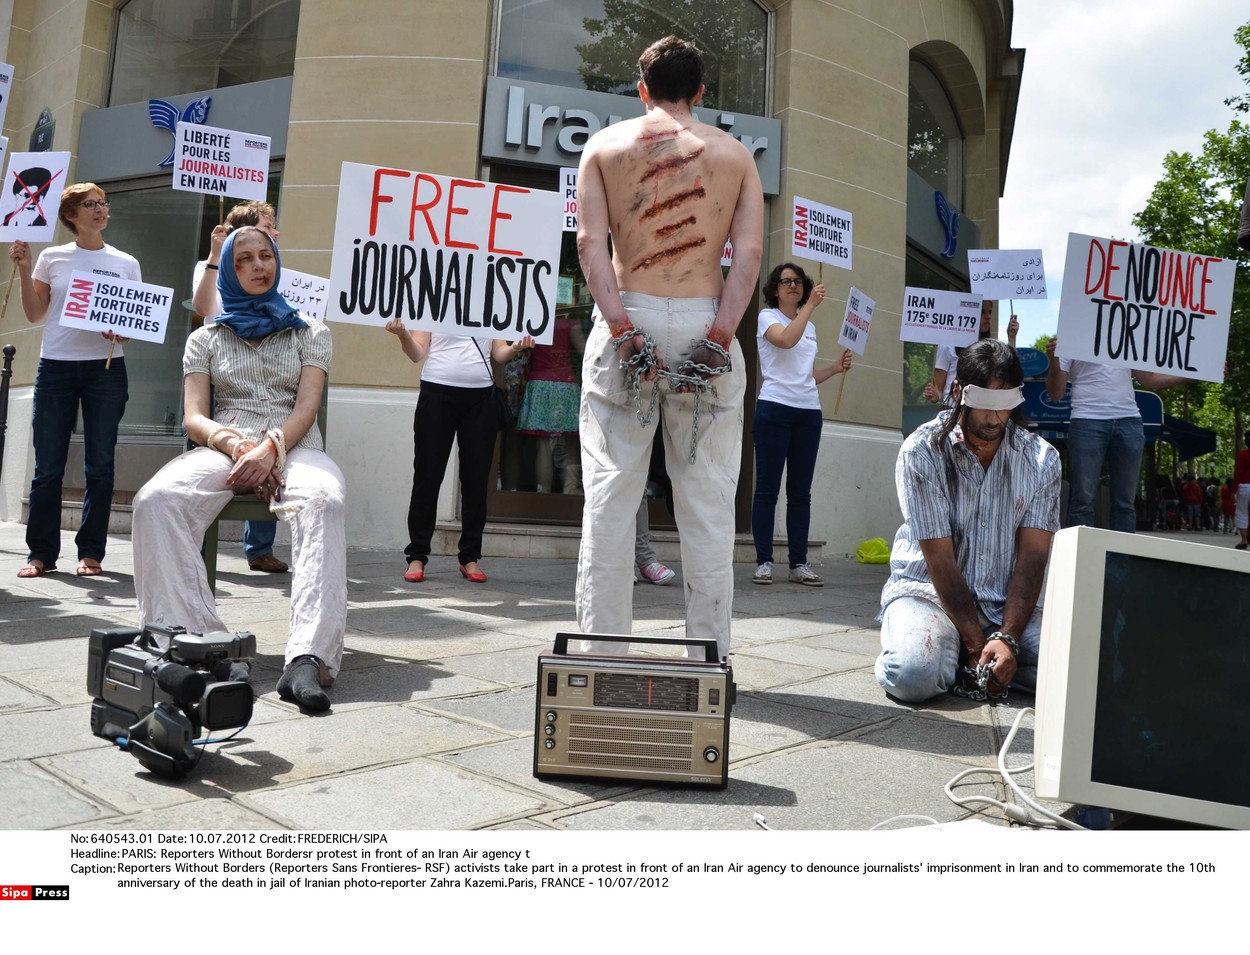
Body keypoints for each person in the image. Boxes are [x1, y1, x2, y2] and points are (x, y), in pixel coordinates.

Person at [574, 35, 764, 660]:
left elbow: (590, 249)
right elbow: (750, 259)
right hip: (706, 315)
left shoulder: (604, 148)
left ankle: (601, 659)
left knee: (610, 496)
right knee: (708, 502)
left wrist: (623, 329)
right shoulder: (734, 156)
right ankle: (709, 660)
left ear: (642, 88)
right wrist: (720, 337)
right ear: (702, 92)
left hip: (632, 309)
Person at [132, 227, 345, 712]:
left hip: (296, 444)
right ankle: (200, 642)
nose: (257, 266)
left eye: (266, 256)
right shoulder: (204, 338)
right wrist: (238, 446)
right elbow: (194, 416)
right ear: (230, 268)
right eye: (245, 259)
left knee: (323, 501)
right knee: (156, 501)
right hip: (225, 446)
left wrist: (270, 449)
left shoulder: (311, 330)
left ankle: (308, 659)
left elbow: (306, 408)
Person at [876, 340, 1060, 704]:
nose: (993, 419)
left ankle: (973, 664)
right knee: (912, 675)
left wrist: (1007, 637)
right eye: (984, 406)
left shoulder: (1042, 460)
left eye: (1003, 407)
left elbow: (1033, 559)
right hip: (928, 595)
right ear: (958, 392)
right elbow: (940, 560)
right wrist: (976, 643)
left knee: (1083, 669)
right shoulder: (922, 451)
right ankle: (949, 654)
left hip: (1002, 605)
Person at [10, 183, 140, 578]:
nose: (100, 210)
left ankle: (91, 553)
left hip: (105, 369)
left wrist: (120, 332)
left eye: (103, 203)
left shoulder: (125, 262)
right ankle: (41, 554)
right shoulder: (51, 257)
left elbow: (131, 323)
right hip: (57, 367)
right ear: (71, 215)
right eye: (90, 205)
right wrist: (21, 268)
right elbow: (35, 315)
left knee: (100, 465)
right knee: (47, 466)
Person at [385, 321, 531, 584]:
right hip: (436, 392)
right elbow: (417, 352)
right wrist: (402, 334)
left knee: (475, 480)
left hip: (480, 399)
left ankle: (470, 557)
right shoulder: (435, 302)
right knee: (427, 477)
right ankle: (417, 555)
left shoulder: (489, 304)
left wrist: (515, 348)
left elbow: (498, 352)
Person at [189, 199, 288, 574]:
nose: (274, 233)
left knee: (269, 451)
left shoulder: (271, 269)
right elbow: (202, 307)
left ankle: (259, 547)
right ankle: (197, 547)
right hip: (219, 369)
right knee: (210, 459)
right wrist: (217, 255)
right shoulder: (214, 265)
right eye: (267, 225)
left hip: (259, 372)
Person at [750, 262, 852, 587]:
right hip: (775, 409)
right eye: (786, 281)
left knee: (800, 493)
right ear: (775, 289)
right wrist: (810, 306)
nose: (792, 286)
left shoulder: (809, 326)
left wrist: (834, 369)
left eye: (798, 282)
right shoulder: (768, 317)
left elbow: (805, 375)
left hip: (808, 412)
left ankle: (798, 563)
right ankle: (764, 561)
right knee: (767, 490)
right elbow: (783, 342)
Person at [1045, 338, 1187, 532]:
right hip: (1087, 421)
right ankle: (1082, 561)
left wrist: (1197, 373)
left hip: (1129, 421)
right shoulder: (1073, 332)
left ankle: (1120, 562)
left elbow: (1149, 379)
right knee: (1083, 501)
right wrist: (1054, 360)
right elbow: (1056, 394)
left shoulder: (1127, 335)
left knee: (1125, 504)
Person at [923, 299, 1017, 404]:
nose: (988, 317)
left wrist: (1011, 338)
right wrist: (934, 394)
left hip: (981, 412)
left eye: (989, 312)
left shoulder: (991, 347)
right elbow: (938, 390)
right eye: (982, 312)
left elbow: (1009, 372)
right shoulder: (947, 345)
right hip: (953, 411)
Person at [1235, 431, 1250, 550]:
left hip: (1245, 486)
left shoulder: (1242, 455)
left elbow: (1238, 473)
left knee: (1242, 512)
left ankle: (1244, 539)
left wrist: (1233, 490)